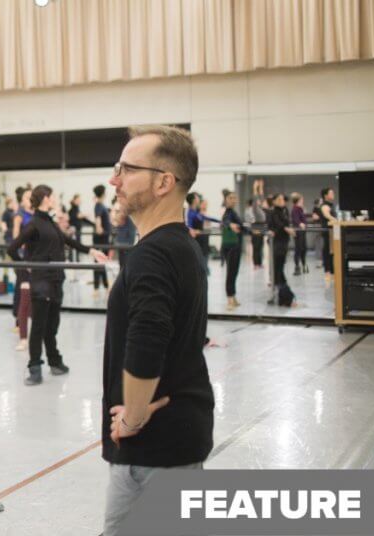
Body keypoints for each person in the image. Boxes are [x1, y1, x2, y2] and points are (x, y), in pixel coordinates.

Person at [103, 125, 213, 536]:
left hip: (154, 448)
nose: (114, 180)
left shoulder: (154, 254)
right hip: (176, 438)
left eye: (127, 170)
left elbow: (146, 343)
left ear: (164, 182)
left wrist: (132, 419)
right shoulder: (179, 245)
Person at [8, 185, 107, 385]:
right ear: (45, 198)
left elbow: (68, 241)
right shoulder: (34, 224)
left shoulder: (50, 222)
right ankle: (34, 367)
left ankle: (54, 361)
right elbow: (12, 248)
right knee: (39, 327)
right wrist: (26, 266)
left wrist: (92, 252)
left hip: (56, 280)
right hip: (41, 282)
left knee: (52, 326)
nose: (53, 199)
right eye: (51, 196)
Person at [12, 188, 34, 351]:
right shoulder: (20, 215)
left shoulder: (38, 215)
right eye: (27, 197)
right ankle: (22, 332)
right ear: (22, 200)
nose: (30, 199)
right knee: (24, 295)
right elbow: (15, 237)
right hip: (23, 258)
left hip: (37, 260)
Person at [266, 193, 296, 305]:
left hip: (282, 243)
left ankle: (283, 297)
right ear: (274, 201)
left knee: (278, 270)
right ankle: (286, 298)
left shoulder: (284, 211)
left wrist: (287, 229)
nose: (282, 201)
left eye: (282, 199)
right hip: (277, 244)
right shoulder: (273, 212)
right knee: (278, 270)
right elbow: (278, 225)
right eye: (279, 199)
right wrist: (286, 229)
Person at [221, 191, 244, 310]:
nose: (233, 200)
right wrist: (230, 225)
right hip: (230, 248)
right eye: (230, 198)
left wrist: (252, 232)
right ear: (226, 200)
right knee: (231, 272)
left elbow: (241, 227)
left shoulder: (234, 212)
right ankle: (230, 298)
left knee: (234, 272)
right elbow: (226, 221)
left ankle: (233, 296)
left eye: (234, 198)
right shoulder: (227, 213)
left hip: (236, 247)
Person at [92, 184, 111, 295]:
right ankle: (97, 288)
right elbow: (98, 221)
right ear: (103, 193)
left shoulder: (101, 205)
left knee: (102, 263)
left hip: (104, 238)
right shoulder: (99, 205)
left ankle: (105, 286)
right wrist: (100, 229)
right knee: (99, 262)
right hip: (101, 239)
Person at [318, 187, 338, 282]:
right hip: (328, 232)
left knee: (331, 252)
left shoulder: (331, 205)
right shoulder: (325, 206)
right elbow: (327, 215)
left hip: (332, 231)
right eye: (331, 193)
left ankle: (332, 272)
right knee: (328, 252)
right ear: (326, 195)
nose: (333, 195)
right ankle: (328, 272)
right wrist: (336, 220)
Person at [244, 197, 266, 268]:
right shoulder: (250, 210)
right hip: (254, 229)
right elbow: (251, 220)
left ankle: (259, 263)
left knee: (259, 247)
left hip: (260, 229)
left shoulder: (257, 209)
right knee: (256, 247)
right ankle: (256, 264)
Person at [290, 193, 308, 275]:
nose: (303, 201)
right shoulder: (295, 209)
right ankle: (297, 266)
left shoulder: (300, 209)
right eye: (301, 199)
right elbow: (296, 219)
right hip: (298, 231)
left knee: (304, 248)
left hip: (302, 231)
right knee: (298, 249)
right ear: (298, 200)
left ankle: (304, 265)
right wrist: (300, 224)